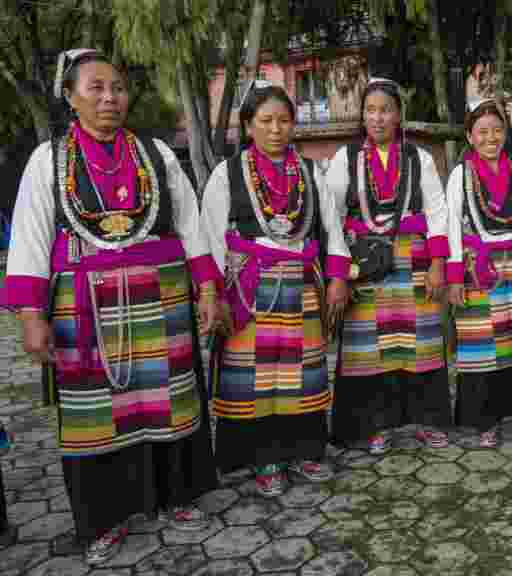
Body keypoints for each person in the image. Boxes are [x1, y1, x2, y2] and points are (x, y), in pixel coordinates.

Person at [1, 49, 218, 564]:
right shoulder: (48, 159)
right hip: (85, 311)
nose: (109, 98)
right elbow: (31, 238)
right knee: (96, 415)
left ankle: (176, 496)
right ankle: (105, 517)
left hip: (160, 301)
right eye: (95, 88)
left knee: (170, 401)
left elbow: (191, 225)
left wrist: (208, 289)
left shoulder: (157, 154)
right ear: (70, 97)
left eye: (117, 87)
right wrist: (32, 317)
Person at [202, 82, 341, 497]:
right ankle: (262, 458)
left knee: (302, 374)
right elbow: (210, 236)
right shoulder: (227, 174)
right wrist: (213, 294)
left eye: (284, 120)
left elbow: (332, 230)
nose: (276, 129)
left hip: (303, 287)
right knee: (257, 380)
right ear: (248, 126)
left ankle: (306, 450)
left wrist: (337, 278)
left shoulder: (312, 172)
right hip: (249, 291)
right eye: (266, 121)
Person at [327, 77, 451, 453]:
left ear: (398, 116)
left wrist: (438, 265)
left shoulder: (420, 158)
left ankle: (425, 421)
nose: (378, 118)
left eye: (385, 110)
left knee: (421, 344)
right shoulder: (345, 158)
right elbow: (331, 216)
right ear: (362, 116)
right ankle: (370, 427)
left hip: (413, 262)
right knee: (367, 350)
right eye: (370, 110)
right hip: (366, 265)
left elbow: (437, 213)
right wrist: (339, 274)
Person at [445, 97, 512, 448]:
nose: (490, 138)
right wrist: (455, 274)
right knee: (482, 347)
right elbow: (450, 225)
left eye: (497, 130)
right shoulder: (461, 175)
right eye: (482, 132)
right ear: (469, 136)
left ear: (505, 134)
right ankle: (484, 422)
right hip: (481, 270)